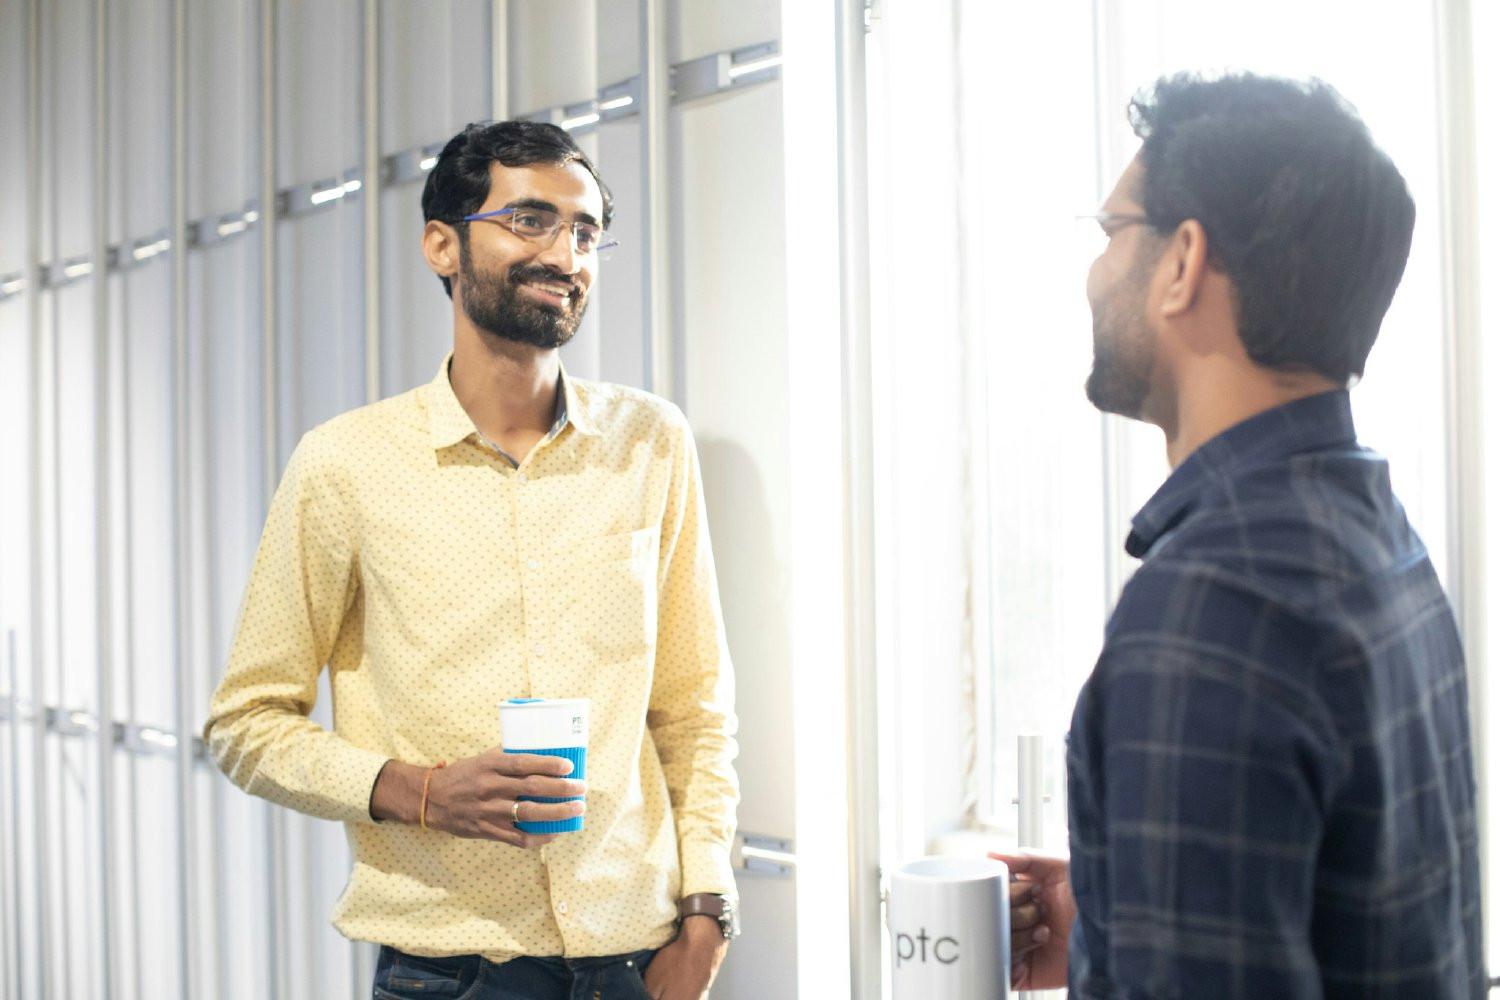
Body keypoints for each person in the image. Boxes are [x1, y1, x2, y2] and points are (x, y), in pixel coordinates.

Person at [204, 120, 740, 1000]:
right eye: (529, 220)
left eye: (585, 231)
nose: (565, 254)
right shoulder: (347, 463)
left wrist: (708, 916)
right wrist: (416, 791)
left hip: (637, 963)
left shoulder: (650, 443)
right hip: (447, 974)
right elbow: (246, 723)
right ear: (442, 245)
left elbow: (694, 709)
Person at [994, 72, 1485, 998]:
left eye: (1110, 233)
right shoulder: (1382, 543)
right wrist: (1115, 916)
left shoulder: (1210, 611)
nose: (1093, 273)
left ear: (1182, 261)